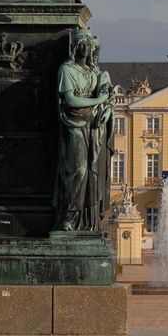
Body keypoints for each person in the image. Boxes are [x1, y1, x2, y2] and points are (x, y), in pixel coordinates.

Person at [54, 28, 113, 231]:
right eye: (80, 44)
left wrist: (108, 109)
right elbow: (70, 100)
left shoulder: (95, 72)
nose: (84, 48)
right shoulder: (66, 70)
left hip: (95, 125)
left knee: (93, 172)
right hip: (74, 123)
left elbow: (108, 98)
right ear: (74, 47)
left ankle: (89, 219)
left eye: (87, 44)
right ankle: (69, 216)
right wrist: (99, 100)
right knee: (77, 170)